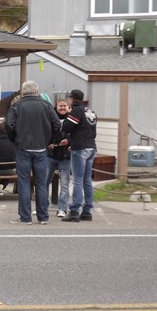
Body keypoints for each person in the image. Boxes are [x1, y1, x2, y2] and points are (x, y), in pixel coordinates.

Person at [5, 80, 61, 225]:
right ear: (37, 91)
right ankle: (43, 217)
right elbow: (57, 124)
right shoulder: (46, 105)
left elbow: (8, 125)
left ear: (22, 92)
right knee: (41, 183)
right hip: (41, 148)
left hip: (22, 148)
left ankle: (25, 217)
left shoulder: (17, 105)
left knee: (24, 182)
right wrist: (49, 140)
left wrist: (15, 139)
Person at [61, 89, 97, 222]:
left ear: (73, 99)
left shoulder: (77, 111)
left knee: (77, 180)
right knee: (87, 180)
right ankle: (87, 211)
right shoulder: (90, 111)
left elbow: (66, 127)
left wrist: (68, 114)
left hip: (80, 149)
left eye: (69, 98)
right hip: (91, 147)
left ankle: (74, 211)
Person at [46, 99, 72, 218]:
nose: (62, 108)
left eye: (64, 106)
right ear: (56, 106)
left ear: (67, 107)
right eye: (60, 106)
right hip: (51, 155)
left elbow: (76, 134)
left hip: (65, 156)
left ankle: (62, 209)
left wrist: (69, 141)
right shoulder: (50, 118)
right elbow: (45, 132)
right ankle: (43, 207)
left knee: (65, 184)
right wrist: (48, 143)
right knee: (44, 182)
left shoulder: (71, 119)